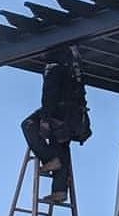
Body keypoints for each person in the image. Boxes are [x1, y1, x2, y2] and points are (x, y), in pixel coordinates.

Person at [20, 47, 93, 204]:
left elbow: (49, 95)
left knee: (28, 125)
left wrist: (45, 118)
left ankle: (49, 158)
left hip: (60, 113)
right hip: (76, 118)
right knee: (61, 145)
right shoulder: (74, 68)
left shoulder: (53, 67)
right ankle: (59, 190)